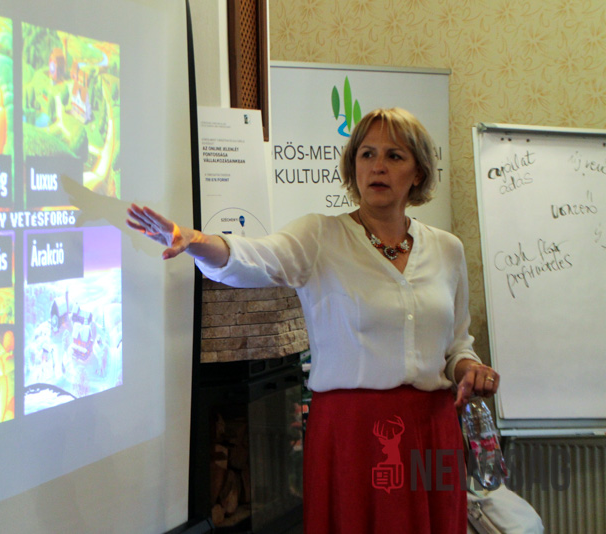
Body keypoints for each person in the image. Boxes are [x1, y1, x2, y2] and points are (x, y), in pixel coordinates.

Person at [127, 107, 499, 533]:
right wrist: (194, 240)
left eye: (394, 156)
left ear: (418, 172)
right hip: (351, 434)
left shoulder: (448, 249)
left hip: (433, 430)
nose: (378, 166)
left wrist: (470, 369)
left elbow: (457, 345)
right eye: (367, 154)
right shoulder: (320, 236)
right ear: (353, 166)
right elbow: (254, 258)